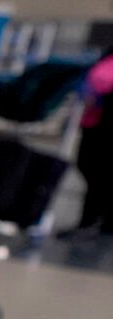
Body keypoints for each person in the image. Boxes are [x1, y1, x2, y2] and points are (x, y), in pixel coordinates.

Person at [65, 46, 113, 237]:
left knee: (99, 172)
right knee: (89, 166)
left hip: (105, 123)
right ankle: (96, 220)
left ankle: (94, 221)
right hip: (94, 121)